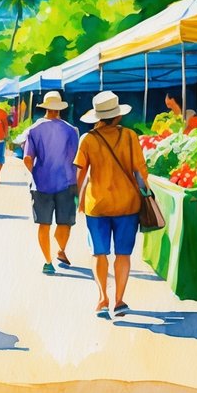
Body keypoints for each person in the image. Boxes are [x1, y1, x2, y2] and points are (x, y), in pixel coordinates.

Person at [75, 91, 148, 319]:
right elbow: (141, 171)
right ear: (117, 116)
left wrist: (78, 198)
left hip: (97, 205)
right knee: (123, 254)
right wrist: (146, 192)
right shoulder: (129, 136)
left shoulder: (87, 139)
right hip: (128, 204)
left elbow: (80, 172)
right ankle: (119, 300)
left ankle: (102, 299)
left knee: (99, 253)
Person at [23, 91, 79, 275]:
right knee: (65, 223)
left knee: (44, 224)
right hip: (67, 181)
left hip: (41, 184)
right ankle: (60, 249)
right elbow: (76, 159)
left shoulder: (34, 130)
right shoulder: (72, 130)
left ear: (46, 108)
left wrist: (35, 174)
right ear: (60, 109)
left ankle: (47, 261)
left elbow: (27, 158)